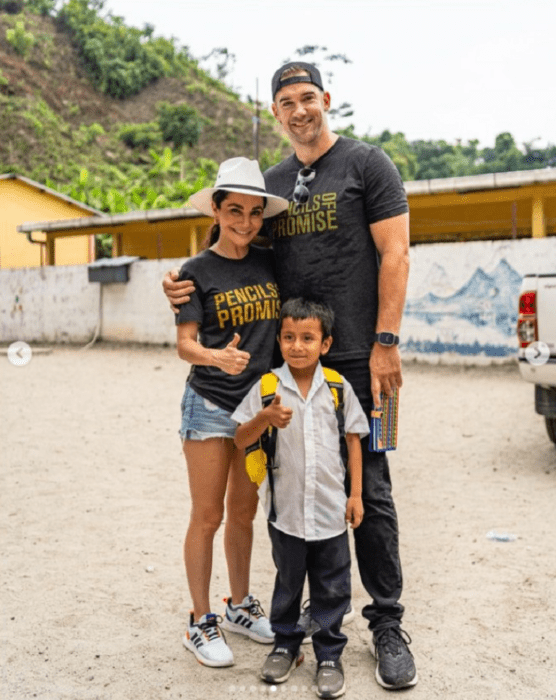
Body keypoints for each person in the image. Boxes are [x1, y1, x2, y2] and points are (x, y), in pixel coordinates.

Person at [163, 62, 417, 689]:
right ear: (275, 113)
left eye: (308, 98)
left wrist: (386, 342)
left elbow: (396, 252)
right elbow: (228, 245)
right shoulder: (271, 186)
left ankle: (386, 623)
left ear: (326, 100)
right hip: (287, 364)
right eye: (286, 102)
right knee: (291, 486)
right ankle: (298, 611)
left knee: (372, 486)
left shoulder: (367, 165)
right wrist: (180, 283)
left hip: (359, 357)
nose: (299, 110)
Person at [175, 157, 289, 668]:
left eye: (255, 213)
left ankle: (239, 606)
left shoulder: (270, 262)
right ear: (216, 211)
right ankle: (200, 622)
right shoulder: (195, 272)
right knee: (208, 515)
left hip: (256, 410)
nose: (245, 222)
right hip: (209, 406)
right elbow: (184, 344)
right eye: (235, 210)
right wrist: (215, 355)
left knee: (244, 512)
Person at [232, 299, 369, 699]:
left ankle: (329, 655)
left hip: (329, 512)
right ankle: (285, 646)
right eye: (289, 337)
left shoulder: (339, 389)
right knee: (288, 582)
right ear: (279, 341)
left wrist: (356, 495)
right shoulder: (268, 388)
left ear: (325, 344)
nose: (297, 346)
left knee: (331, 587)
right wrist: (264, 419)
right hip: (286, 513)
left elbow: (353, 442)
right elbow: (241, 438)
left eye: (308, 338)